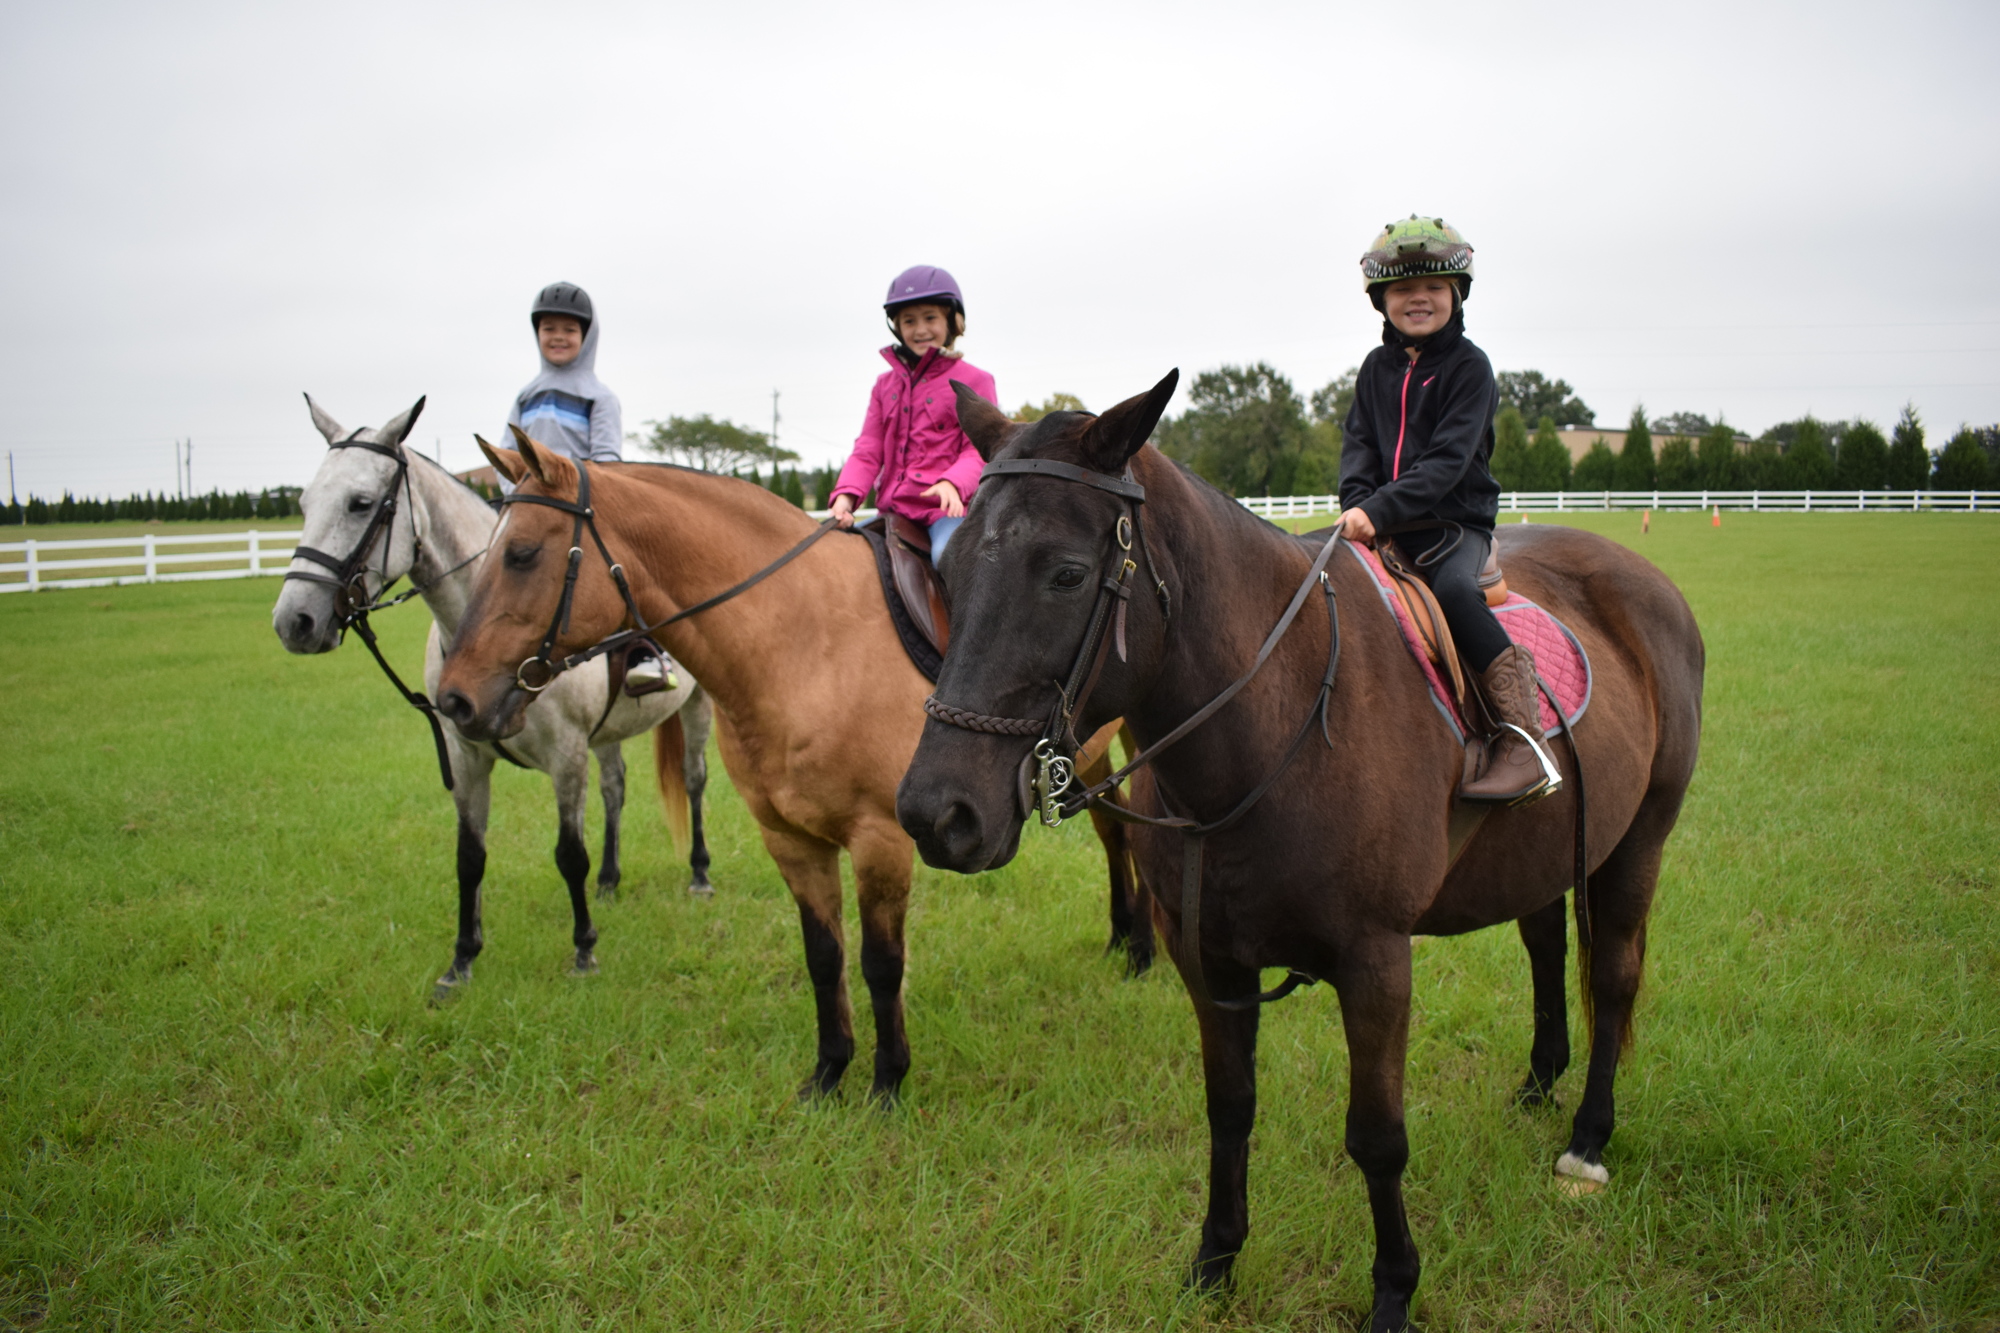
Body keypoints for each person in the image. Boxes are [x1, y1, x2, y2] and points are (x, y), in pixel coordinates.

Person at [1337, 216, 1560, 804]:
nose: (1419, 299)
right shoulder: (1374, 370)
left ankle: (1523, 741)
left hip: (1453, 527)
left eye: (1434, 287)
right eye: (1404, 289)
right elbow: (1357, 449)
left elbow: (1446, 464)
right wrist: (1357, 505)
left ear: (1456, 295)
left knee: (1456, 594)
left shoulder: (1470, 368)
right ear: (1381, 300)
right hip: (1382, 527)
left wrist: (1376, 512)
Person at [828, 265, 997, 565]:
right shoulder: (884, 385)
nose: (920, 329)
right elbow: (867, 449)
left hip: (946, 513)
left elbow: (979, 451)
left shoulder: (976, 381)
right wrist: (845, 498)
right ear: (897, 327)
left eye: (930, 318)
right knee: (830, 551)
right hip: (893, 512)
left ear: (952, 321)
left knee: (948, 556)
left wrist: (952, 483)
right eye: (909, 321)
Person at [504, 282, 623, 468]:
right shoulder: (526, 396)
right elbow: (509, 453)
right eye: (549, 329)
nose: (558, 337)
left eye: (570, 330)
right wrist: (517, 490)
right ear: (538, 333)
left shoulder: (599, 397)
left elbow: (606, 462)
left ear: (587, 336)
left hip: (578, 494)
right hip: (527, 493)